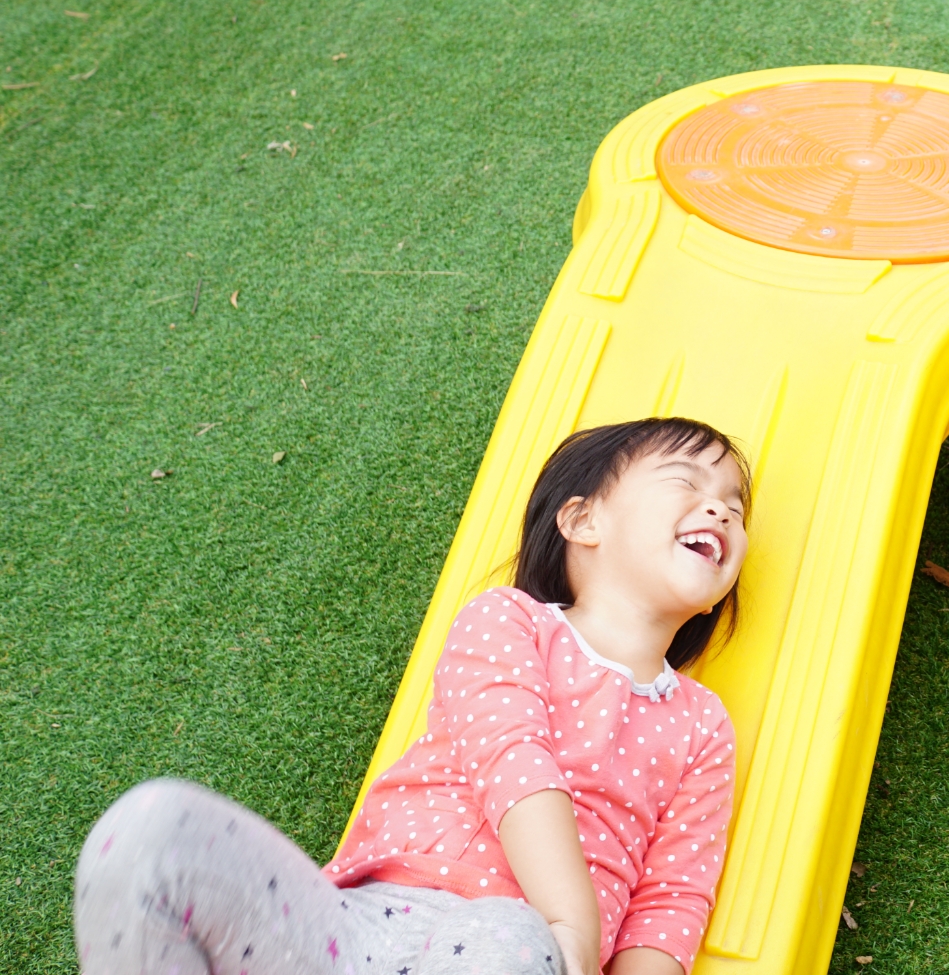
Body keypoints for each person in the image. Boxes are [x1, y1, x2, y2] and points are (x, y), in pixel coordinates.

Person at [73, 417, 749, 975]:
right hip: (351, 930)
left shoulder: (702, 725)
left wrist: (560, 938)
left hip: (517, 952)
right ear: (582, 519)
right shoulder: (508, 620)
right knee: (153, 826)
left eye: (736, 506)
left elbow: (670, 901)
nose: (720, 508)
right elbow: (514, 761)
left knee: (511, 932)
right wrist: (571, 919)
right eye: (685, 481)